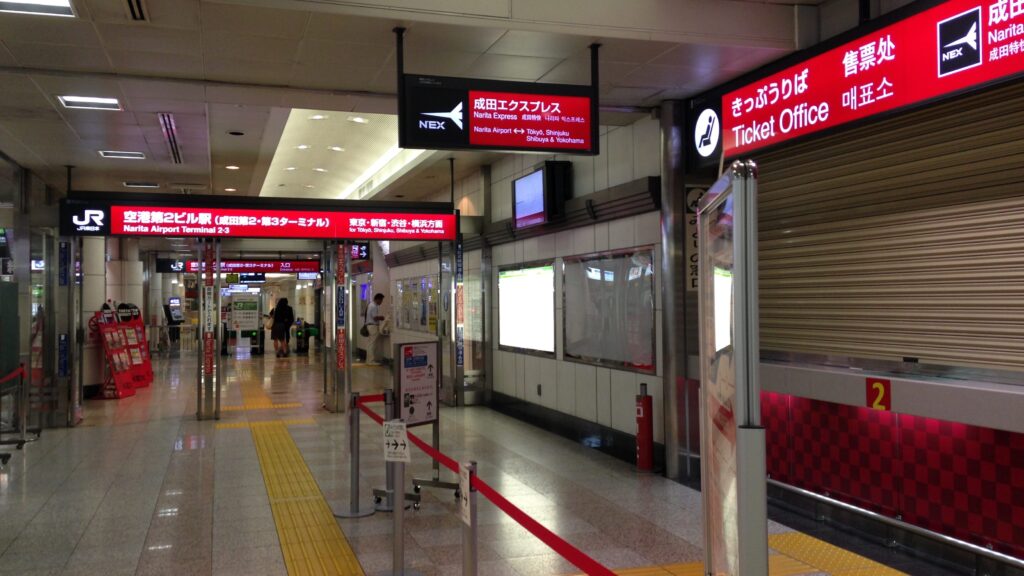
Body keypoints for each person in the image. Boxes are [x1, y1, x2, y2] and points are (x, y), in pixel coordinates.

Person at [364, 293, 385, 364]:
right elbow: (375, 317)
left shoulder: (370, 304)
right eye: (381, 300)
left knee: (370, 344)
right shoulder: (374, 306)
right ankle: (371, 361)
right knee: (372, 344)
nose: (381, 302)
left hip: (370, 326)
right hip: (373, 326)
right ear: (378, 299)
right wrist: (382, 317)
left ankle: (369, 360)